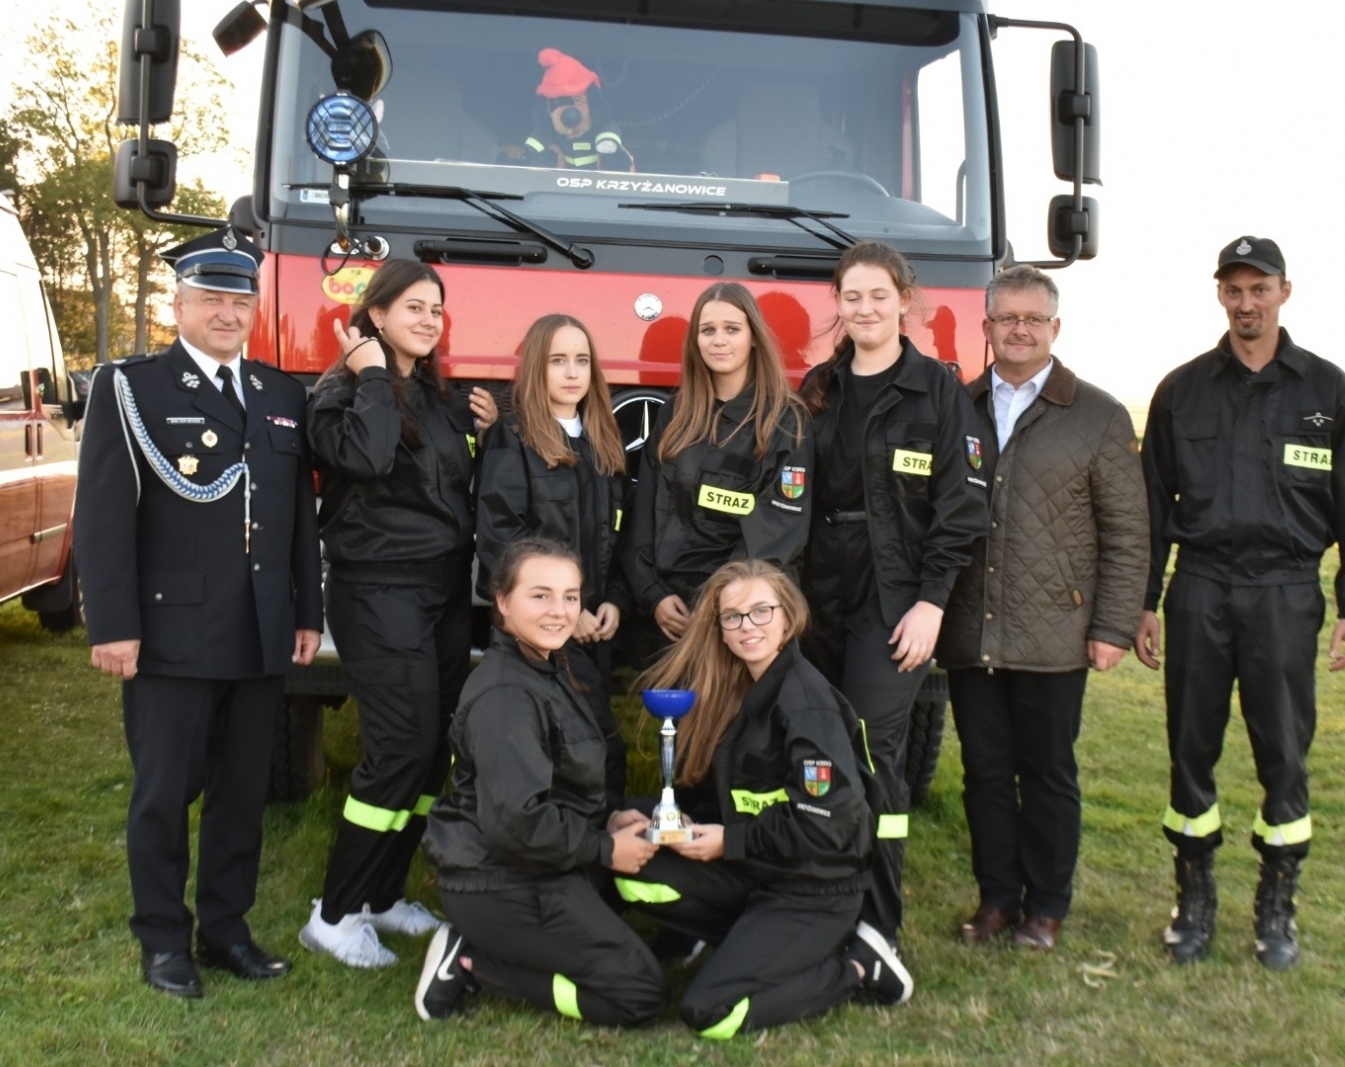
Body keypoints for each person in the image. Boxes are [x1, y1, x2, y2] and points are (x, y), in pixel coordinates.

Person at [74, 228, 323, 998]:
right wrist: (113, 625)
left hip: (258, 628)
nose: (227, 311)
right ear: (178, 303)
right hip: (170, 632)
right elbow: (103, 519)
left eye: (239, 298)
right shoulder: (132, 388)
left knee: (241, 794)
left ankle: (225, 928)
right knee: (163, 794)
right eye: (210, 297)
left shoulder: (280, 395)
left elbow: (296, 520)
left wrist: (305, 611)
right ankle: (162, 939)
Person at [1135, 236, 1345, 970]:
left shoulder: (1325, 391)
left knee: (1283, 749)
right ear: (1220, 296)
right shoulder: (1182, 390)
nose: (1247, 302)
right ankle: (1194, 899)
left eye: (1259, 288)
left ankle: (1278, 907)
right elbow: (1151, 504)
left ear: (1284, 292)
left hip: (1284, 590)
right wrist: (1145, 600)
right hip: (1200, 586)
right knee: (1191, 749)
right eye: (1234, 289)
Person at [938, 266, 1148, 950]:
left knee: (1050, 773)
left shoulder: (1097, 415)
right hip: (972, 629)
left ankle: (1046, 906)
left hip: (1057, 632)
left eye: (1034, 318)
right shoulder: (958, 408)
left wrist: (1113, 624)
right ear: (988, 326)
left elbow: (1127, 532)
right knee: (985, 772)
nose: (1020, 329)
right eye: (1008, 318)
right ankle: (997, 898)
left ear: (1055, 329)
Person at [617, 560, 911, 1040]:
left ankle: (859, 969)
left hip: (814, 889)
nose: (747, 626)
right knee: (635, 869)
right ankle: (745, 944)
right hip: (758, 869)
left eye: (761, 612)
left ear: (787, 616)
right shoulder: (737, 688)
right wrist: (657, 813)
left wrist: (729, 842)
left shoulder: (805, 704)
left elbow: (828, 825)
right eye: (733, 617)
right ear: (721, 631)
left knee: (710, 1012)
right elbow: (732, 801)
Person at [299, 258, 498, 968]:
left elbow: (465, 487)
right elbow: (371, 456)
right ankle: (333, 913)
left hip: (445, 590)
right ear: (375, 314)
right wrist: (373, 373)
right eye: (412, 306)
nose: (427, 319)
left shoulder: (444, 401)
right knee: (397, 749)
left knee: (433, 749)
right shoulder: (336, 396)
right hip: (377, 592)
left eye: (436, 309)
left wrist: (493, 428)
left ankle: (381, 897)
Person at [797, 241, 989, 950]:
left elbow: (962, 505)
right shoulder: (819, 387)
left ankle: (876, 917)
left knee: (873, 748)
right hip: (819, 591)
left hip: (896, 593)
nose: (866, 308)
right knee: (813, 740)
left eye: (879, 295)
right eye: (852, 296)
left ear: (904, 299)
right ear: (838, 304)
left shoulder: (938, 389)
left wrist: (932, 600)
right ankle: (818, 900)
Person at [412, 539, 669, 1025]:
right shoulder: (506, 694)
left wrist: (609, 818)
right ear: (503, 602)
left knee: (650, 823)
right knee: (641, 993)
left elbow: (561, 782)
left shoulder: (549, 664)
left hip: (544, 858)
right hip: (502, 879)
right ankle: (472, 961)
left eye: (571, 597)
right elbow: (518, 823)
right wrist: (605, 849)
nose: (560, 611)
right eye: (541, 596)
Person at [476, 313, 630, 803]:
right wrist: (567, 611)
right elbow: (504, 540)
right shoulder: (514, 439)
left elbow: (618, 538)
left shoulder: (603, 443)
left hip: (592, 630)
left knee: (590, 746)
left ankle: (600, 850)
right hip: (540, 635)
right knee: (576, 751)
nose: (571, 372)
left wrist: (614, 602)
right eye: (558, 360)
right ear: (536, 369)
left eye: (582, 360)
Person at [624, 282, 812, 646]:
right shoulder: (674, 416)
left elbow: (777, 532)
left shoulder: (785, 422)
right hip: (668, 612)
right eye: (707, 331)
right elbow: (643, 517)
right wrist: (653, 595)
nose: (718, 341)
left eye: (732, 329)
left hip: (742, 617)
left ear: (754, 337)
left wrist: (720, 605)